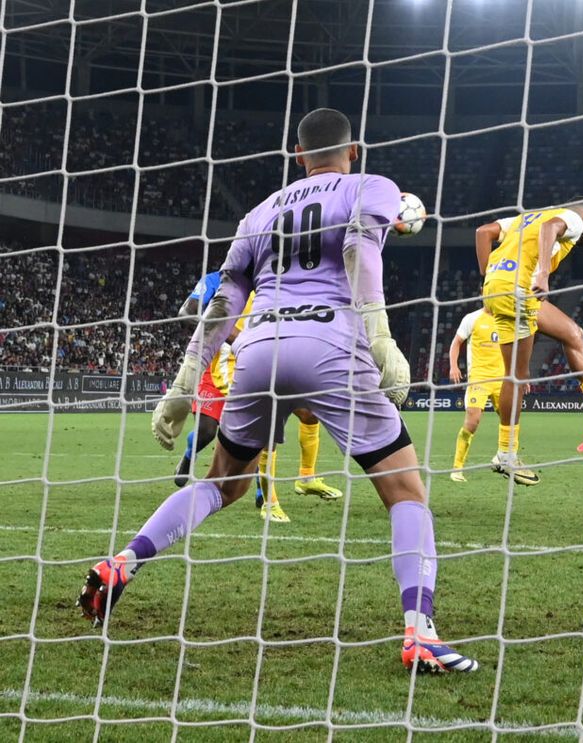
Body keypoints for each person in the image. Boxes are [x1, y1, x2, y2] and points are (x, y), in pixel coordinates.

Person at [79, 108, 477, 674]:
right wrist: (382, 340)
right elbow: (361, 251)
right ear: (353, 150)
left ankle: (123, 561)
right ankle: (420, 633)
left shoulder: (259, 212)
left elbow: (224, 299)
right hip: (332, 345)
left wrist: (183, 385)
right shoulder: (372, 186)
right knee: (406, 492)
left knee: (222, 483)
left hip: (258, 351)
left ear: (297, 157)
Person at [475, 205, 583, 486]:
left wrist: (487, 276)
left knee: (571, 334)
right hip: (521, 290)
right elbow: (549, 228)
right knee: (518, 377)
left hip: (499, 288)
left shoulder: (523, 218)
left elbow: (483, 232)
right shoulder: (574, 219)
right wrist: (543, 273)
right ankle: (506, 454)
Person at [174, 275, 342, 522]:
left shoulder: (278, 281)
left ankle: (305, 477)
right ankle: (267, 498)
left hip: (267, 358)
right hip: (226, 364)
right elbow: (186, 313)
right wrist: (233, 333)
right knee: (221, 429)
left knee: (308, 413)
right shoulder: (215, 279)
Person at [448, 308, 505, 482]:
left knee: (509, 420)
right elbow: (456, 342)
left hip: (503, 378)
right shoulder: (472, 318)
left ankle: (503, 458)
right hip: (479, 378)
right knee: (472, 421)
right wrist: (454, 366)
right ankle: (457, 469)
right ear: (484, 293)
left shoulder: (507, 319)